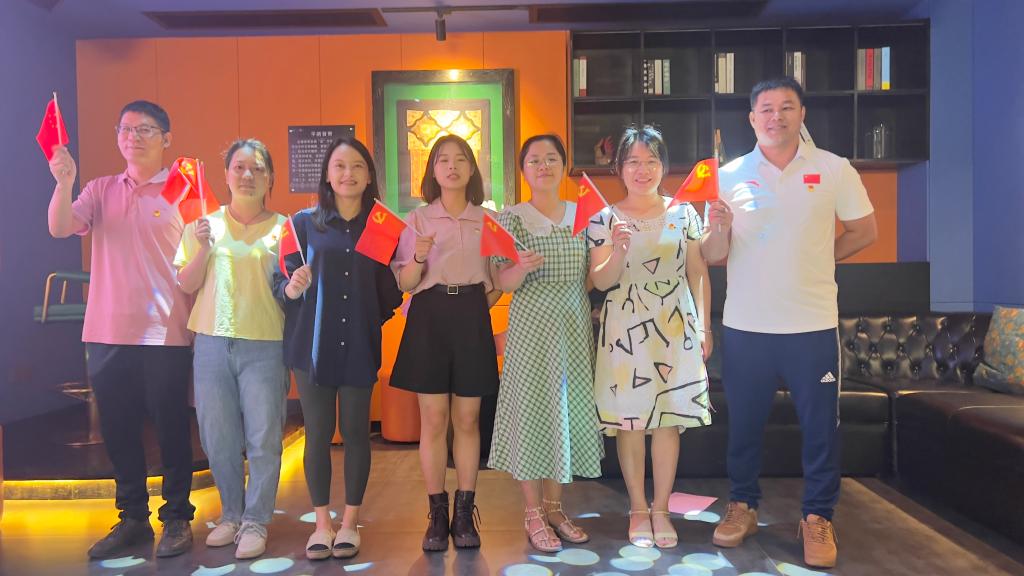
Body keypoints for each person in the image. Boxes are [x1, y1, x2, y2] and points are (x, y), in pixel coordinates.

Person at [701, 76, 877, 569]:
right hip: (746, 326)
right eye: (765, 109)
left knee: (820, 429)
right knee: (743, 427)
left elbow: (864, 230)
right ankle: (743, 505)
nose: (775, 116)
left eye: (785, 107)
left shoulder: (833, 168)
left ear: (802, 114)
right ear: (751, 118)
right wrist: (718, 229)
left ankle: (817, 516)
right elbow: (713, 254)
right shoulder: (729, 175)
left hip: (812, 325)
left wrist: (820, 258)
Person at [47, 100, 196, 558]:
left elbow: (201, 261)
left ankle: (176, 517)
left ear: (166, 138)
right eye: (126, 129)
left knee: (172, 427)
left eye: (145, 129)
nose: (134, 137)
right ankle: (133, 518)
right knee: (118, 429)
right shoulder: (99, 189)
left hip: (165, 332)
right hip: (107, 330)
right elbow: (59, 227)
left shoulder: (184, 190)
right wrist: (64, 182)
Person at [274, 137, 403, 560]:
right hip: (311, 345)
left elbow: (389, 293)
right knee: (317, 434)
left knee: (355, 433)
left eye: (357, 166)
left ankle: (349, 522)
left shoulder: (381, 226)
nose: (348, 174)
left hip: (359, 346)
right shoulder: (303, 224)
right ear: (328, 175)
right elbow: (281, 283)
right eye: (340, 166)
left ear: (369, 176)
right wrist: (293, 287)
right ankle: (321, 524)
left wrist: (370, 317)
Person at [588, 125, 713, 549]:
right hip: (625, 327)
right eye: (633, 162)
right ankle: (638, 508)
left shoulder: (685, 213)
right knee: (630, 422)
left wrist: (704, 326)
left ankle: (661, 508)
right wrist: (619, 250)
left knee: (668, 421)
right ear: (619, 168)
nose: (643, 170)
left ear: (664, 165)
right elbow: (601, 281)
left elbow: (698, 271)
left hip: (676, 325)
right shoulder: (603, 218)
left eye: (651, 161)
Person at [487, 135, 605, 553]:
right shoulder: (511, 219)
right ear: (523, 170)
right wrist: (520, 268)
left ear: (564, 165)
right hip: (530, 330)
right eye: (534, 160)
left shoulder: (584, 215)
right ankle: (533, 512)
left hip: (572, 327)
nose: (543, 166)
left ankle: (556, 509)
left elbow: (591, 277)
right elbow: (502, 282)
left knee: (564, 415)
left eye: (551, 158)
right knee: (531, 414)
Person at [175, 139, 287, 560]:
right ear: (226, 175)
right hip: (211, 341)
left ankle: (256, 520)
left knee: (264, 437)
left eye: (257, 169)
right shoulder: (203, 225)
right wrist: (204, 247)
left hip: (265, 342)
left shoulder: (284, 228)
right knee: (217, 435)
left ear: (270, 178)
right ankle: (231, 514)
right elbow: (186, 283)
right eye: (239, 167)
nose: (247, 175)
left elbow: (291, 285)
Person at [391, 134, 503, 551]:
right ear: (432, 170)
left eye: (460, 159)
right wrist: (419, 257)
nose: (452, 166)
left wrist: (472, 308)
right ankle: (437, 514)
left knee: (469, 420)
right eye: (443, 160)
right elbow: (405, 283)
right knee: (434, 419)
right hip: (429, 317)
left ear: (472, 169)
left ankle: (464, 513)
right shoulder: (417, 220)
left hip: (472, 314)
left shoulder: (488, 220)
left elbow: (496, 282)